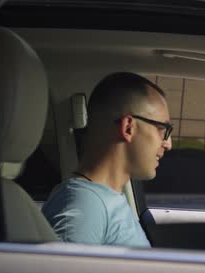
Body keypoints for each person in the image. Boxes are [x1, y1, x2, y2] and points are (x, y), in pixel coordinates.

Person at [42, 72, 173, 247]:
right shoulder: (84, 205)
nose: (168, 144)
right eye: (162, 129)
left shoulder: (105, 198)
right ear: (128, 128)